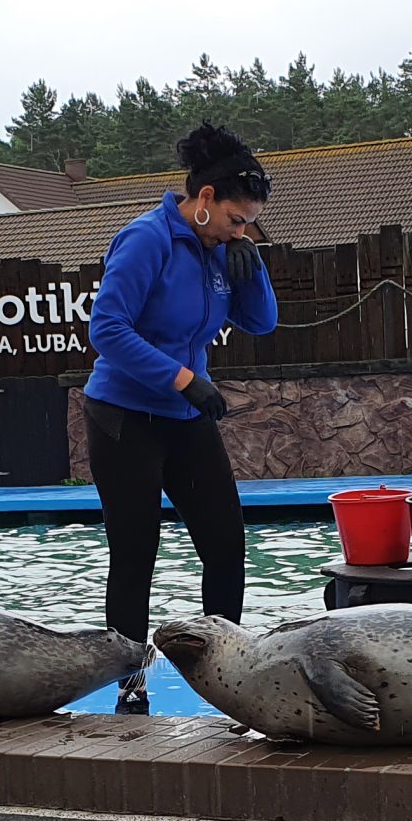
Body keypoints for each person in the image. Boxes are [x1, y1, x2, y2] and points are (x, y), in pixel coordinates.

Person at [83, 122, 277, 711]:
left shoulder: (222, 249)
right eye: (236, 220)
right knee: (135, 552)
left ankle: (225, 674)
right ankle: (130, 686)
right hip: (123, 415)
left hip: (184, 415)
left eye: (248, 225)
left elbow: (261, 322)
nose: (239, 231)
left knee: (226, 543)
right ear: (205, 198)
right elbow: (106, 330)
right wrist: (184, 379)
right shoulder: (146, 240)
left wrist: (252, 262)